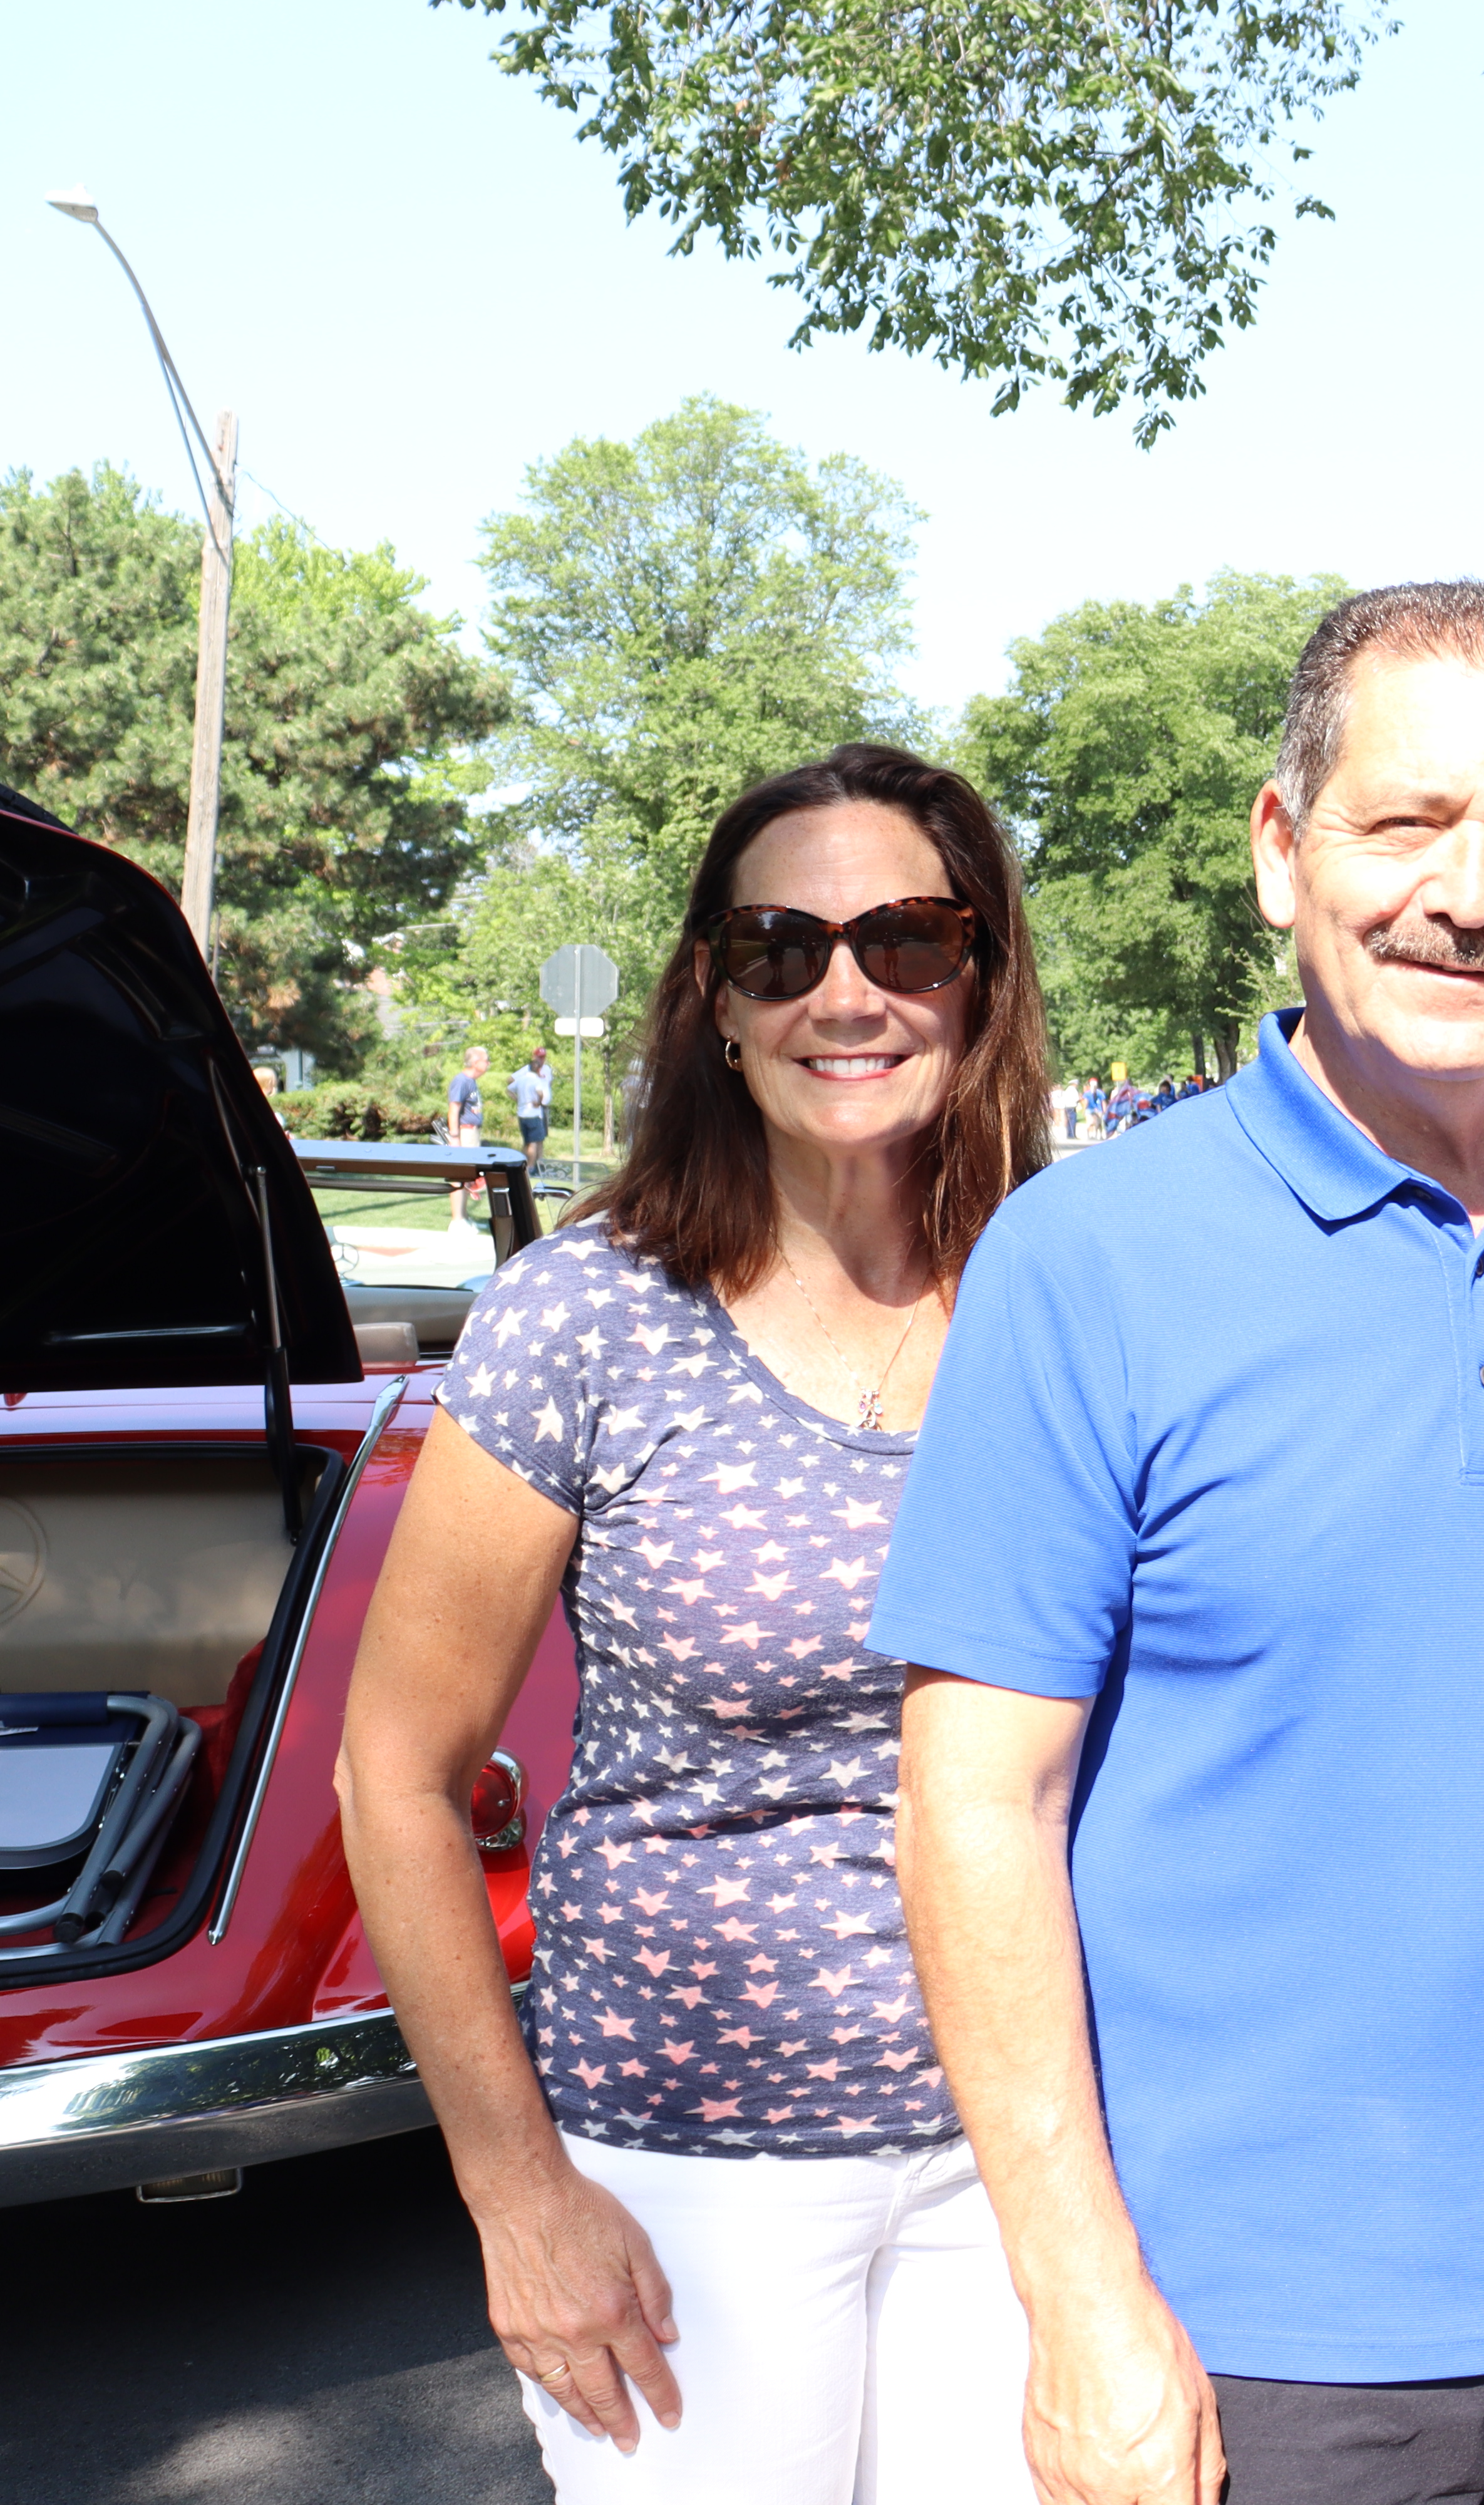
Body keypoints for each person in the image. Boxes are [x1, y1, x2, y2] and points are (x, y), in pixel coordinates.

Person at [875, 581, 1484, 2505]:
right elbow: (975, 1803)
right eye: (1405, 822)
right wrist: (1080, 2302)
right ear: (1279, 848)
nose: (1469, 893)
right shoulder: (1090, 1263)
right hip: (1239, 2337)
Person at [339, 744, 1060, 2502]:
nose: (846, 993)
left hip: (1026, 2151)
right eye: (779, 951)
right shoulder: (585, 1317)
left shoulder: (1072, 1299)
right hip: (690, 2174)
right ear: (712, 1000)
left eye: (907, 942)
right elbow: (395, 1776)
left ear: (981, 981)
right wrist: (519, 2199)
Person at [448, 1042, 493, 1221]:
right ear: (476, 1062)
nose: (489, 1064)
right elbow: (454, 1109)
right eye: (487, 1060)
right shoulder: (461, 1081)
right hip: (464, 1133)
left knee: (467, 1177)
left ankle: (464, 1218)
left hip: (472, 1133)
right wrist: (455, 1138)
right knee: (460, 1176)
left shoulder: (471, 1081)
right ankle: (458, 1220)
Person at [514, 1043, 557, 1173]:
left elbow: (548, 1084)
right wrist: (521, 1098)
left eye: (543, 1057)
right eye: (539, 1057)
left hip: (543, 1107)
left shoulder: (547, 1069)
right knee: (531, 1140)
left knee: (541, 1138)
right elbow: (511, 1081)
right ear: (534, 1057)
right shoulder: (528, 1070)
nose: (541, 1060)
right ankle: (529, 1165)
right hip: (531, 1109)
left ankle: (539, 1164)